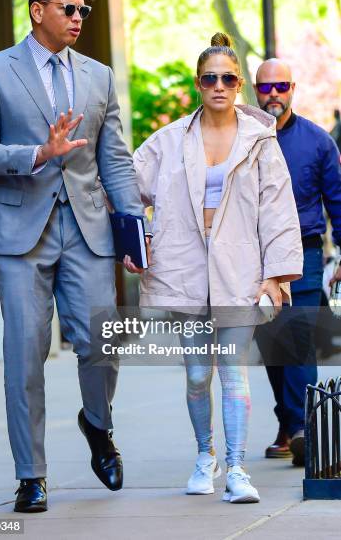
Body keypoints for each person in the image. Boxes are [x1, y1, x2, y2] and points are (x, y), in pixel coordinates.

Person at [0, 0, 144, 512]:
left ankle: (96, 422)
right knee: (25, 355)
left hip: (87, 232)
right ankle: (31, 474)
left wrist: (133, 229)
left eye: (83, 10)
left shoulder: (99, 76)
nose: (78, 18)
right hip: (20, 235)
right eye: (69, 9)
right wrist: (36, 154)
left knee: (102, 346)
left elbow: (113, 158)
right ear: (38, 11)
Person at [127, 33, 303, 503]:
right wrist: (135, 239)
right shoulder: (168, 141)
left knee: (233, 371)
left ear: (239, 84)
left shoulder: (262, 142)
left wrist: (275, 275)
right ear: (198, 85)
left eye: (227, 78)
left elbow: (279, 211)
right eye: (210, 79)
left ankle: (238, 470)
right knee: (195, 375)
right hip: (184, 270)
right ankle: (205, 457)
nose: (219, 86)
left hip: (239, 272)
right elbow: (124, 190)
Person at [254, 59, 341, 465]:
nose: (274, 93)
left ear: (293, 88)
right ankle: (288, 422)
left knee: (299, 341)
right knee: (272, 348)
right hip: (252, 260)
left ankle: (306, 428)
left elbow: (337, 203)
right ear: (254, 90)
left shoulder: (319, 142)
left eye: (281, 86)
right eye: (266, 87)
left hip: (303, 254)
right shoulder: (242, 138)